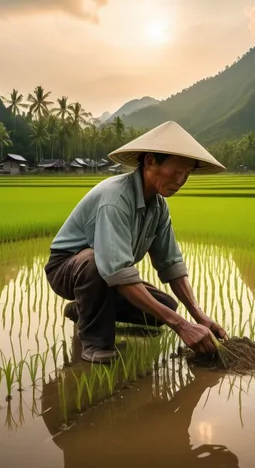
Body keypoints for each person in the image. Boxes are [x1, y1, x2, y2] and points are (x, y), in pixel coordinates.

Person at [44, 120, 228, 362]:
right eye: (176, 171)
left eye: (187, 173)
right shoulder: (115, 200)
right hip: (69, 269)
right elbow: (117, 270)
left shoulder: (159, 206)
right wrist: (181, 326)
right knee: (93, 261)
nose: (181, 180)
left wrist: (198, 316)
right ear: (150, 162)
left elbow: (171, 265)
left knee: (164, 307)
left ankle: (82, 309)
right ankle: (95, 344)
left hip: (108, 273)